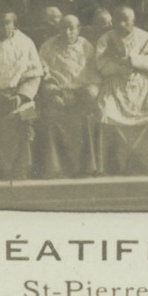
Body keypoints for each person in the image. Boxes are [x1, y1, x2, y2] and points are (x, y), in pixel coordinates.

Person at [95, 6, 148, 175]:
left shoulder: (146, 38)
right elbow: (101, 65)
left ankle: (146, 163)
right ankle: (116, 164)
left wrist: (132, 60)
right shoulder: (106, 39)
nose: (121, 24)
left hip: (141, 83)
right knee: (107, 110)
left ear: (133, 21)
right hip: (115, 83)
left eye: (126, 20)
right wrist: (119, 67)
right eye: (118, 19)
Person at [0, 10, 44, 180]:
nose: (3, 27)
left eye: (7, 23)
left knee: (28, 119)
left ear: (14, 24)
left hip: (21, 99)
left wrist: (21, 96)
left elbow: (35, 74)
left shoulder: (26, 43)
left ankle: (21, 169)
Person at [34, 15, 100, 179]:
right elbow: (43, 73)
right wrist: (53, 92)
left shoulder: (87, 47)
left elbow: (94, 75)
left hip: (81, 94)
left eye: (71, 28)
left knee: (85, 118)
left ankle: (86, 168)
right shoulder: (47, 46)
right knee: (50, 118)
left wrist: (86, 93)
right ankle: (55, 168)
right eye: (63, 28)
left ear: (79, 29)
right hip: (57, 93)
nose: (67, 32)